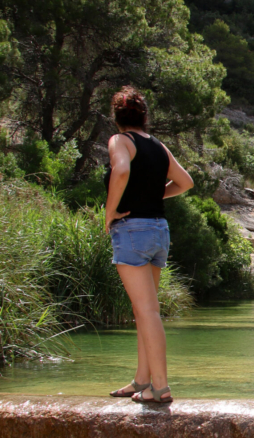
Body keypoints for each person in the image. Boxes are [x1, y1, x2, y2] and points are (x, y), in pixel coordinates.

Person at [105, 86, 194, 404]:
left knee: (147, 312)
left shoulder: (120, 141)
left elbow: (122, 171)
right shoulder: (158, 146)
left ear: (117, 118)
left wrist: (110, 210)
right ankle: (142, 380)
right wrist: (156, 195)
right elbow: (185, 183)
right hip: (159, 231)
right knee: (144, 311)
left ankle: (160, 386)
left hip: (132, 230)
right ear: (144, 116)